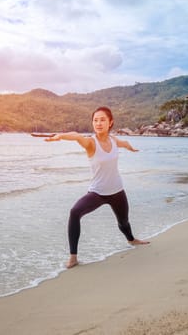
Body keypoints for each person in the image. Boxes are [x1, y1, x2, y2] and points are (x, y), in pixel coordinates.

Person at [45, 106, 149, 268]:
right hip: (97, 193)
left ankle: (131, 240)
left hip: (117, 191)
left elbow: (125, 142)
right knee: (75, 212)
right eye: (95, 120)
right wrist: (60, 136)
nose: (98, 123)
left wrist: (131, 148)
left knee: (124, 222)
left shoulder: (114, 140)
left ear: (110, 122)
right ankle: (73, 257)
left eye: (102, 120)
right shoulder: (91, 143)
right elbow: (76, 136)